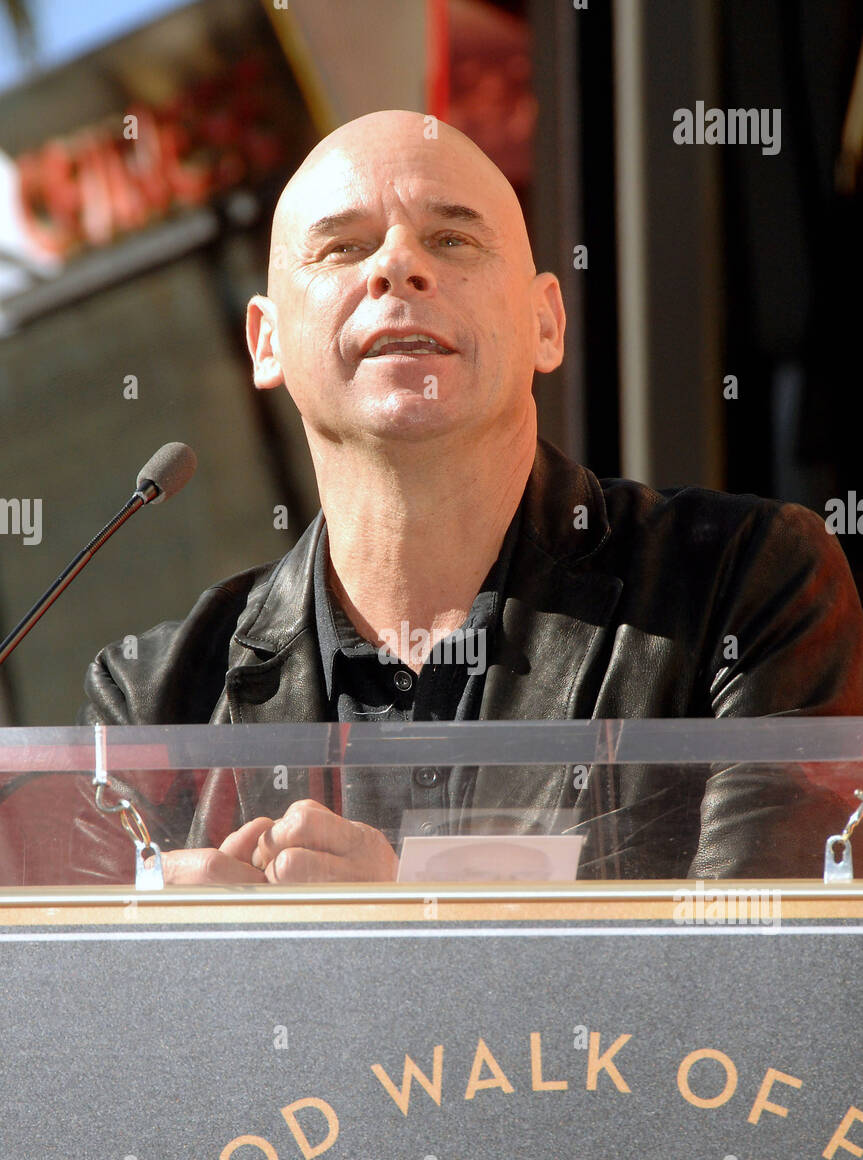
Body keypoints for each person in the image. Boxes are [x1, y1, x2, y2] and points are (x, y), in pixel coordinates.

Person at [78, 109, 863, 886]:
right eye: (343, 247)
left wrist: (411, 929)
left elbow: (755, 987)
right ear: (267, 342)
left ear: (545, 323)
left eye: (451, 240)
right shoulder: (154, 699)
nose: (395, 267)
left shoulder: (741, 584)